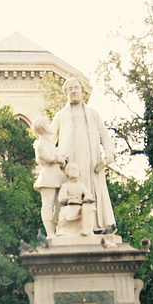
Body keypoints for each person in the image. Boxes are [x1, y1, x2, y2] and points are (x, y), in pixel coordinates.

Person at [51, 77, 116, 232]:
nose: (73, 91)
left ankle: (95, 226)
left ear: (82, 91)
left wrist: (109, 152)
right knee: (71, 192)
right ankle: (71, 228)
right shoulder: (60, 116)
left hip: (91, 162)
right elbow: (49, 139)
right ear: (66, 93)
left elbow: (104, 135)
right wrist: (55, 156)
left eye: (76, 88)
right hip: (70, 163)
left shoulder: (93, 114)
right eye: (70, 89)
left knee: (92, 192)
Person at [32, 116, 67, 238]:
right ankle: (50, 233)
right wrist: (59, 158)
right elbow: (50, 158)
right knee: (48, 205)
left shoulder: (48, 143)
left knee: (59, 204)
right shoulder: (40, 144)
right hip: (48, 178)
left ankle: (59, 229)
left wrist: (59, 158)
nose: (51, 125)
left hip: (56, 176)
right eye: (48, 123)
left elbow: (57, 157)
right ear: (43, 127)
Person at [56, 163, 95, 237]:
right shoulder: (65, 186)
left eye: (76, 169)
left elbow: (88, 194)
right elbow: (61, 198)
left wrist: (86, 197)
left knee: (89, 207)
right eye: (72, 169)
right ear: (67, 172)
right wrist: (70, 198)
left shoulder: (81, 185)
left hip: (80, 205)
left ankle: (86, 229)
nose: (74, 171)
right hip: (70, 206)